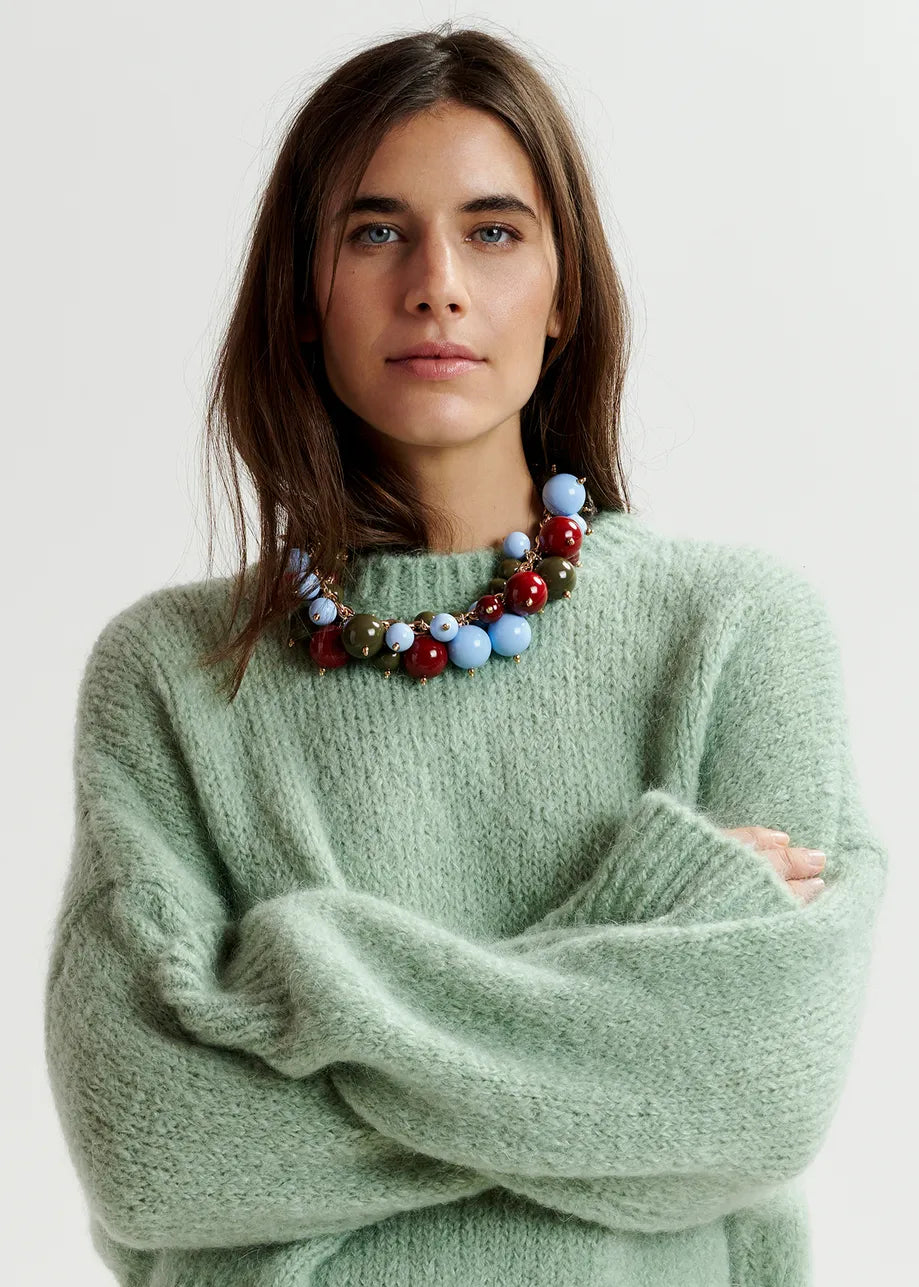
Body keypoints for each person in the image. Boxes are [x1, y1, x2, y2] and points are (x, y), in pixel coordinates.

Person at [43, 23, 888, 1287]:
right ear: (302, 292)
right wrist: (629, 953)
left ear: (566, 295)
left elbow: (758, 1094)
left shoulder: (734, 630)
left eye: (494, 230)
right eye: (375, 231)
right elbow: (153, 1147)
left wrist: (304, 987)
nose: (435, 281)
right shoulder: (172, 674)